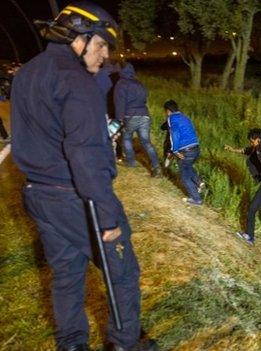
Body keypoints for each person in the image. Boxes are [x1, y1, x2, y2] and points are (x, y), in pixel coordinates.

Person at [11, 2, 157, 350]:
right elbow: (85, 155)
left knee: (66, 273)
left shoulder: (28, 73)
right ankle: (124, 342)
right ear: (78, 36)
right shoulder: (76, 81)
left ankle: (72, 343)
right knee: (121, 272)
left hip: (38, 194)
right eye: (101, 44)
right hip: (76, 196)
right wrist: (107, 216)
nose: (105, 55)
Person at [114, 63, 162, 177]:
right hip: (144, 115)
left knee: (126, 137)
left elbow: (119, 103)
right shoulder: (139, 84)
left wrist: (119, 118)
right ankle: (156, 166)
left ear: (122, 72)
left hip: (130, 115)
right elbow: (145, 97)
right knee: (146, 142)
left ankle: (130, 161)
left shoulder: (121, 84)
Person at [163, 100, 203, 205]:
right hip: (196, 147)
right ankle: (199, 182)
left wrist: (175, 150)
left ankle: (196, 199)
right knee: (188, 167)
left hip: (185, 150)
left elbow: (174, 134)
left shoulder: (171, 118)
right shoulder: (184, 117)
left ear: (168, 111)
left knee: (184, 175)